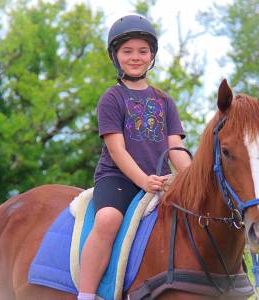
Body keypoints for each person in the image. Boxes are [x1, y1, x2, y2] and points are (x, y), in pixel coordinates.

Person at [77, 14, 192, 300]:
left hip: (158, 178)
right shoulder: (112, 98)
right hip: (118, 178)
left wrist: (192, 178)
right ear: (116, 56)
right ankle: (87, 293)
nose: (136, 57)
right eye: (127, 51)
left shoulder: (165, 101)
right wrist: (143, 181)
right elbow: (117, 150)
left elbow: (175, 145)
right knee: (107, 220)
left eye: (143, 51)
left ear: (152, 55)